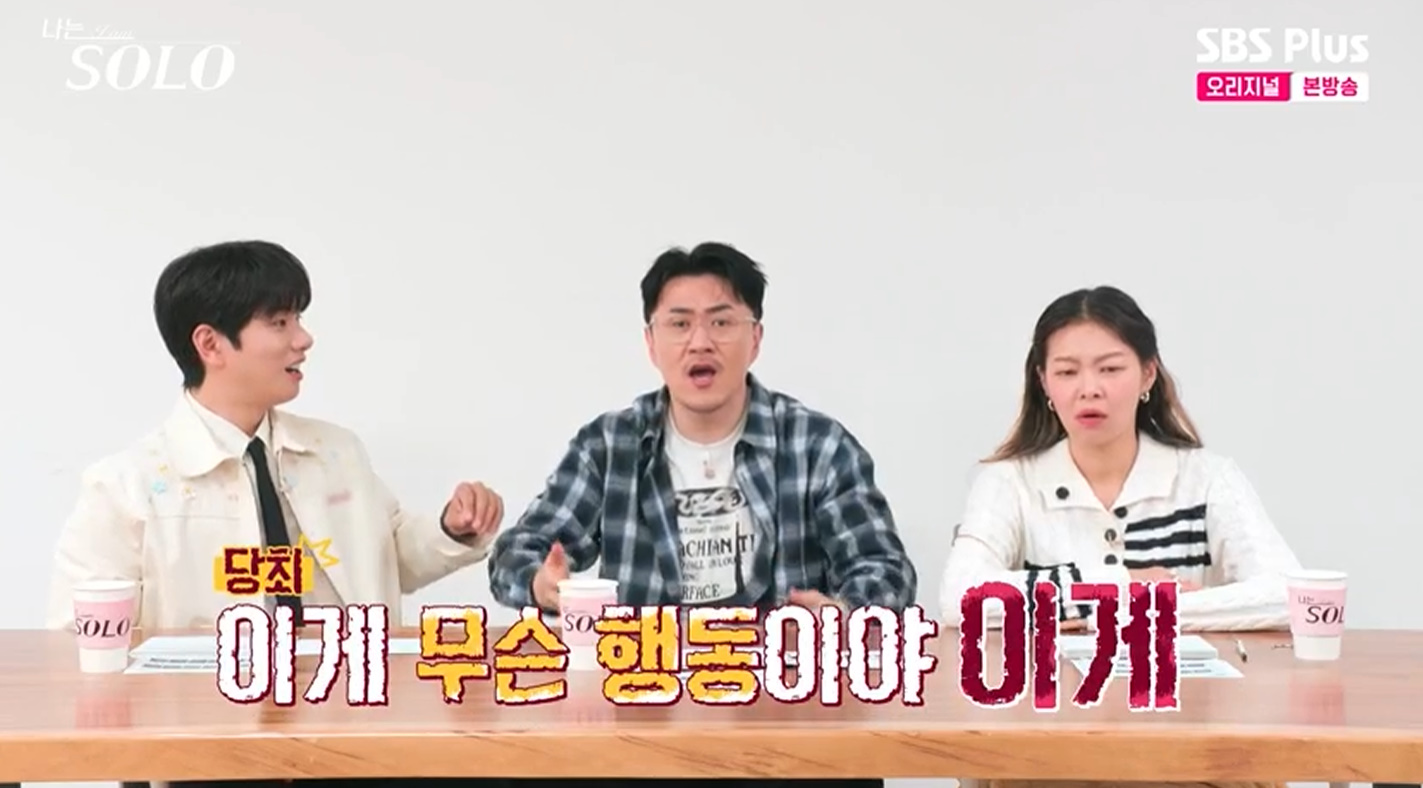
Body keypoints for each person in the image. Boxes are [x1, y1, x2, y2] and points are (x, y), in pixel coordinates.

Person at [486, 241, 915, 788]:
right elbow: (515, 555)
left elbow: (886, 570)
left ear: (755, 338)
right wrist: (543, 586)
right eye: (679, 323)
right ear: (651, 342)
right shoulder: (611, 445)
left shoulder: (817, 444)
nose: (700, 341)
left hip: (788, 720)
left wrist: (843, 612)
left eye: (722, 321)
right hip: (644, 716)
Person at [939, 285, 1302, 788]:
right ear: (1043, 382)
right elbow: (962, 599)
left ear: (1148, 374)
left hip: (1188, 742)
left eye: (1110, 369)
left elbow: (1289, 596)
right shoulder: (1009, 482)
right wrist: (1118, 588)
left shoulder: (1206, 477)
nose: (1089, 389)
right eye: (1067, 372)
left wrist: (1152, 609)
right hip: (1049, 747)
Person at [48, 239, 503, 639]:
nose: (304, 339)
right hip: (207, 704)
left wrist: (451, 529)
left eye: (298, 318)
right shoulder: (126, 487)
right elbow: (81, 637)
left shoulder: (336, 452)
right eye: (280, 322)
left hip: (342, 693)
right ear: (210, 344)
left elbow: (386, 558)